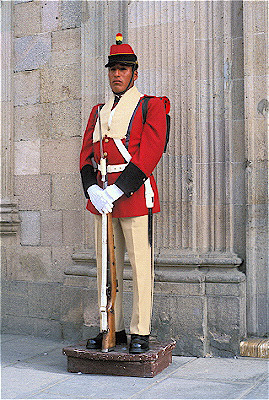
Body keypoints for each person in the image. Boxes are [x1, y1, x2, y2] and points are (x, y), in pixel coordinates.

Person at [80, 33, 167, 354]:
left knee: (140, 264)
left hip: (132, 194)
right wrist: (92, 189)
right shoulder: (97, 111)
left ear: (135, 73)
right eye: (113, 69)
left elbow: (151, 152)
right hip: (102, 199)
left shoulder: (151, 106)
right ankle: (110, 329)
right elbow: (86, 154)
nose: (117, 74)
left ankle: (140, 331)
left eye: (124, 69)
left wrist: (118, 188)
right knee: (106, 264)